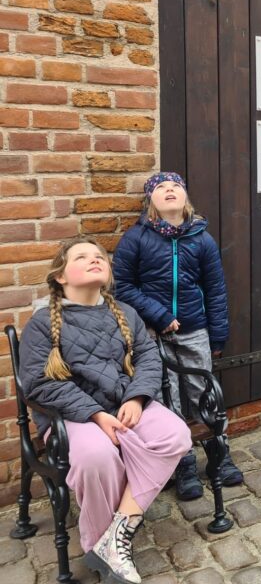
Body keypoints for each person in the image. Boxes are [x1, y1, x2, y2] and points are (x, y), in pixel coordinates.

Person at [21, 237, 192, 584]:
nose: (94, 259)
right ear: (60, 277)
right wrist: (96, 414)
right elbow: (38, 384)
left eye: (99, 256)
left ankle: (115, 535)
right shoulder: (42, 323)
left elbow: (148, 358)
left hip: (126, 404)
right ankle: (107, 549)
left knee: (176, 435)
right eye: (81, 257)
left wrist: (136, 398)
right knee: (97, 456)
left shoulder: (125, 313)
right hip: (71, 416)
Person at [112, 172, 242, 501]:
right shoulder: (136, 238)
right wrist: (158, 315)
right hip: (152, 333)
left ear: (185, 197)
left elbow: (215, 289)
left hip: (194, 328)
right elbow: (122, 287)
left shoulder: (202, 239)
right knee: (165, 397)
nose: (169, 190)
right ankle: (182, 463)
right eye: (161, 187)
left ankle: (218, 453)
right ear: (150, 200)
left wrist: (217, 334)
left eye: (176, 186)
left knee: (204, 392)